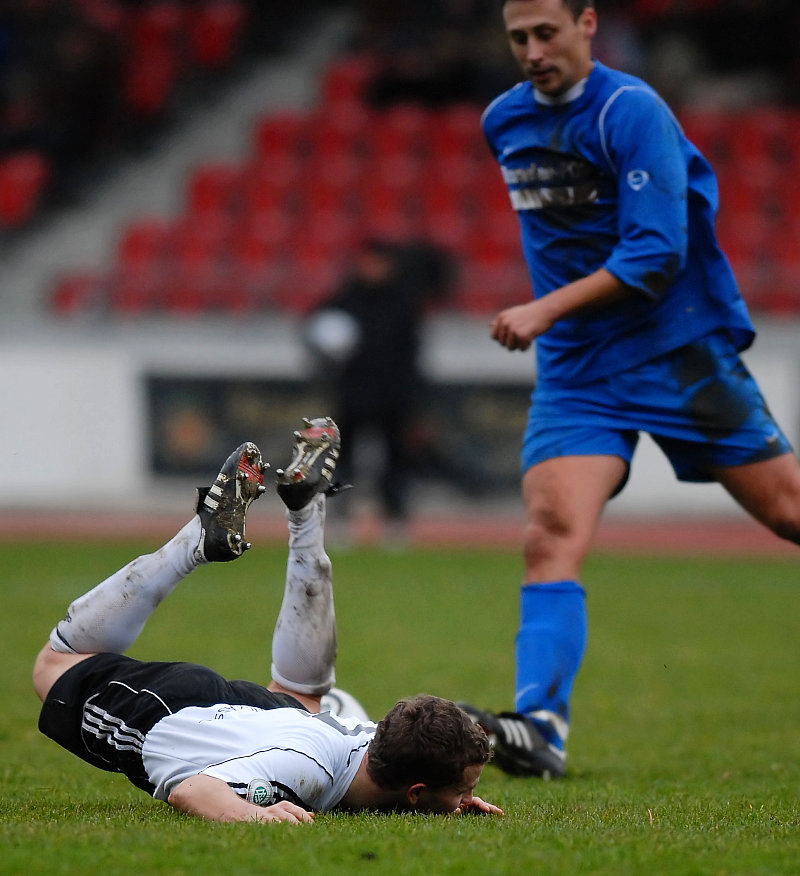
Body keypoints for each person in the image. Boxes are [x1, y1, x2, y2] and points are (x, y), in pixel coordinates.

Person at [457, 0, 800, 780]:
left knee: (788, 513)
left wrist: (542, 307)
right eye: (518, 38)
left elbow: (654, 253)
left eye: (547, 33)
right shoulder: (502, 120)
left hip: (677, 351)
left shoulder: (630, 108)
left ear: (587, 23)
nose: (533, 51)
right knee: (549, 533)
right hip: (579, 372)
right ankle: (539, 728)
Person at [33, 417, 501, 823]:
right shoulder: (301, 772)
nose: (468, 799)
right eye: (465, 790)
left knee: (304, 698)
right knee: (55, 665)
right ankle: (196, 540)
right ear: (416, 793)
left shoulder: (381, 741)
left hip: (270, 716)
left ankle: (306, 513)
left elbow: (418, 759)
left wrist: (449, 797)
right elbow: (192, 790)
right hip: (168, 710)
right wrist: (251, 813)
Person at [305, 240, 451, 542]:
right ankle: (339, 521)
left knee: (396, 464)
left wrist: (414, 401)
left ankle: (395, 522)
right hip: (352, 396)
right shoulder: (343, 301)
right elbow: (314, 335)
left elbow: (413, 357)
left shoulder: (404, 304)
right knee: (340, 461)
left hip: (394, 398)